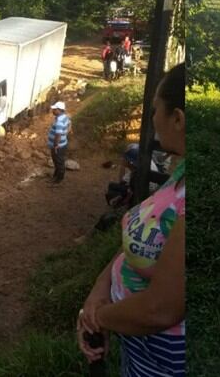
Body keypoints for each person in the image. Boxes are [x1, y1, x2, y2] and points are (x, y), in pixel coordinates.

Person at [77, 63, 185, 376]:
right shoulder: (177, 176)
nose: (152, 120)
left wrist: (97, 317)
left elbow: (160, 308)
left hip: (164, 364)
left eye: (155, 111)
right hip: (140, 353)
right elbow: (139, 251)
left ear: (177, 119)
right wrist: (100, 289)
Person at [47, 101, 71, 185]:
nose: (52, 110)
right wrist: (66, 133)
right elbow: (69, 124)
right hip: (63, 144)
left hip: (58, 146)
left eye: (54, 109)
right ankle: (55, 177)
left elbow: (58, 134)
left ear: (59, 110)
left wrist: (56, 145)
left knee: (59, 162)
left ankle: (58, 181)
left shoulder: (59, 121)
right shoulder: (65, 117)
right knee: (58, 161)